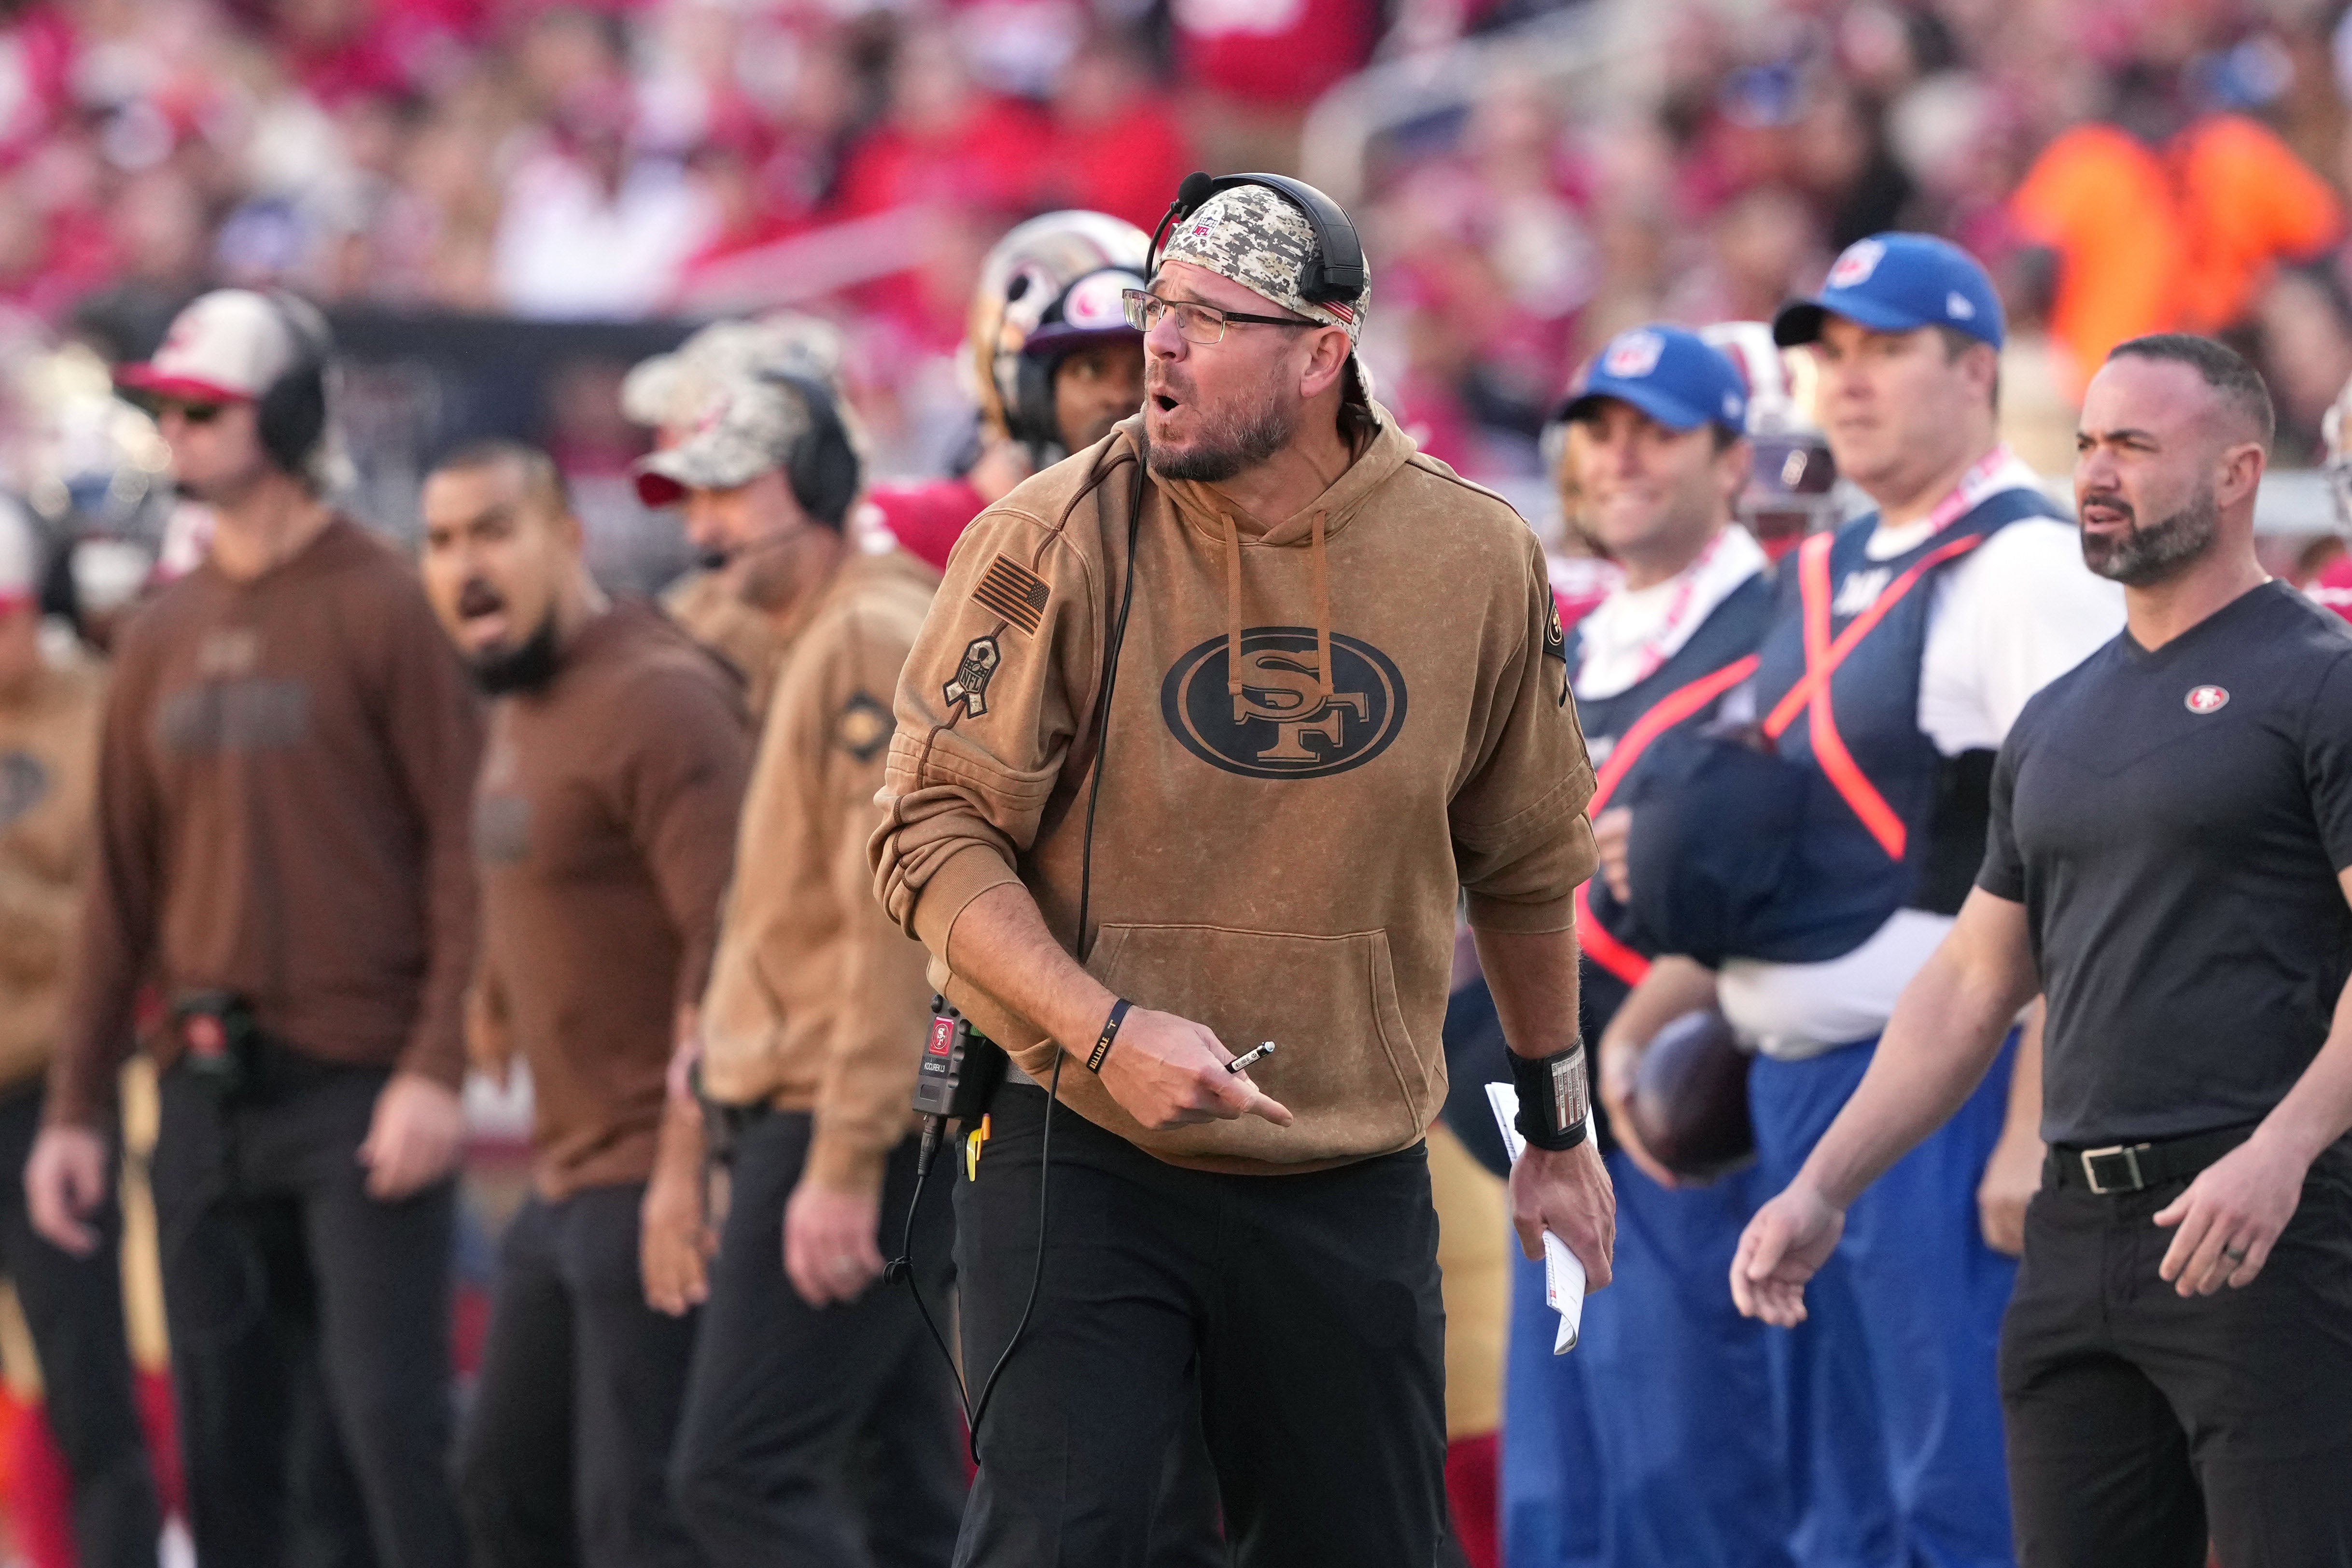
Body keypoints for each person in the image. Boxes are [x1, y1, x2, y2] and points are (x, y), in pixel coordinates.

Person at [870, 172, 1611, 1568]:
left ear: (1323, 353)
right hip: (1075, 1135)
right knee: (1068, 1539)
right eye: (1159, 310)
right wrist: (1102, 1030)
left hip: (1343, 1160)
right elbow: (926, 833)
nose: (1158, 345)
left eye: (1208, 319)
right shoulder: (1046, 538)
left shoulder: (1476, 559)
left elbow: (1525, 864)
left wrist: (1556, 1135)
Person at [1735, 333, 2352, 1567]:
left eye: (2136, 444)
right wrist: (1825, 1184)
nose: (2096, 473)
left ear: (2239, 473)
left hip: (2266, 1228)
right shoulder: (2059, 716)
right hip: (2078, 1240)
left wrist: (2282, 1154)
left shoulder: (2322, 683)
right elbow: (1971, 983)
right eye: (2085, 444)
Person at [1604, 235, 2122, 1567]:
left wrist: (2034, 1124)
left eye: (1889, 349)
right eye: (1831, 353)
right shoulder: (1828, 566)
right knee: (1836, 1506)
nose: (1850, 380)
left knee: (1957, 1489)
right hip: (1797, 1095)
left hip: (1945, 1097)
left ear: (1977, 371)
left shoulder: (2025, 565)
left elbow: (2092, 862)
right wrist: (1659, 1000)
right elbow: (1809, 829)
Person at [25, 288, 480, 1568]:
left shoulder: (387, 601)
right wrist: (74, 1111)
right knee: (230, 1464)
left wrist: (438, 1066)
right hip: (208, 1096)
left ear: (281, 416)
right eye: (164, 407)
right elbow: (120, 890)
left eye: (201, 407)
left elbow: (465, 846)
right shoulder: (160, 636)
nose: (170, 428)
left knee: (391, 1440)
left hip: (364, 1095)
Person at [630, 371, 969, 1566]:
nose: (704, 526)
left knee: (738, 1477)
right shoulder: (815, 631)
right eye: (692, 498)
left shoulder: (867, 632)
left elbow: (891, 925)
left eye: (731, 490)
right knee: (903, 1489)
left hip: (843, 1122)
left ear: (821, 486)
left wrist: (841, 1158)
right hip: (836, 1114)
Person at [419, 441, 750, 1567]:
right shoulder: (521, 687)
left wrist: (684, 1161)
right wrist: (494, 992)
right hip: (567, 1178)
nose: (465, 564)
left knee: (638, 1523)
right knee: (498, 1486)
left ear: (568, 538)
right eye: (441, 540)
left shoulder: (660, 699)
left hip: (653, 1178)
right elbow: (534, 851)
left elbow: (733, 946)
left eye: (492, 532)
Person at [1501, 325, 1789, 1568]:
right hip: (1553, 1121)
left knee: (1692, 1478)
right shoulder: (1573, 633)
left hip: (1693, 1118)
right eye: (1602, 430)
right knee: (1560, 1498)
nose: (1621, 458)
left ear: (1732, 457)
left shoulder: (1785, 621)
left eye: (1659, 431)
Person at [0, 502, 162, 1568]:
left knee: (89, 1383)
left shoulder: (100, 716)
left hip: (49, 1092)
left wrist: (13, 905)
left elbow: (139, 918)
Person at [873, 209, 1151, 573]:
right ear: (1015, 385)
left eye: (1143, 367)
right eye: (1089, 369)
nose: (1121, 396)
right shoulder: (905, 534)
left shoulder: (1175, 538)